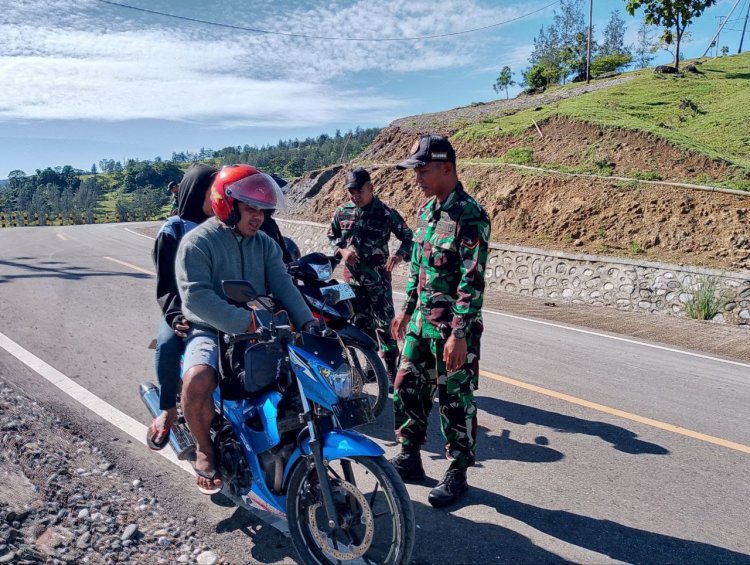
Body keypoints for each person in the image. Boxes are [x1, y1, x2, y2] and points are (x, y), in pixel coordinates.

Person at [175, 164, 316, 494]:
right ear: (227, 205)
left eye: (263, 210)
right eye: (251, 208)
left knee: (301, 378)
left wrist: (308, 322)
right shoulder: (197, 243)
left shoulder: (264, 244)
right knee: (198, 378)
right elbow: (196, 298)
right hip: (209, 329)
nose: (258, 217)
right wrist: (245, 321)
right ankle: (204, 448)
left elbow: (283, 285)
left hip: (261, 329)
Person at [389, 135, 491, 508]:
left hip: (453, 331)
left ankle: (458, 472)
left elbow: (471, 280)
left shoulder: (470, 214)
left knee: (454, 401)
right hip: (421, 324)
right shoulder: (426, 211)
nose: (417, 177)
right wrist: (405, 310)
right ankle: (410, 456)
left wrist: (459, 333)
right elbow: (418, 268)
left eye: (423, 170)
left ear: (446, 168)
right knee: (405, 387)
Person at [147, 163, 217, 451]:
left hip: (219, 306)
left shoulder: (224, 225)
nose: (218, 197)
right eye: (212, 191)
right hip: (182, 306)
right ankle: (167, 409)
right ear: (197, 192)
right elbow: (166, 283)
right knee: (167, 344)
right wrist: (175, 315)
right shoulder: (174, 229)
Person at [327, 167, 413, 386]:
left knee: (385, 326)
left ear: (371, 188)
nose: (355, 196)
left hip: (378, 281)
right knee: (361, 325)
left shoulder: (385, 213)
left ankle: (391, 371)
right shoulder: (342, 212)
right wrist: (342, 251)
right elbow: (332, 237)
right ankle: (371, 367)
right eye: (351, 191)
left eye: (359, 191)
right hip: (352, 282)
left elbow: (408, 237)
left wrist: (399, 255)